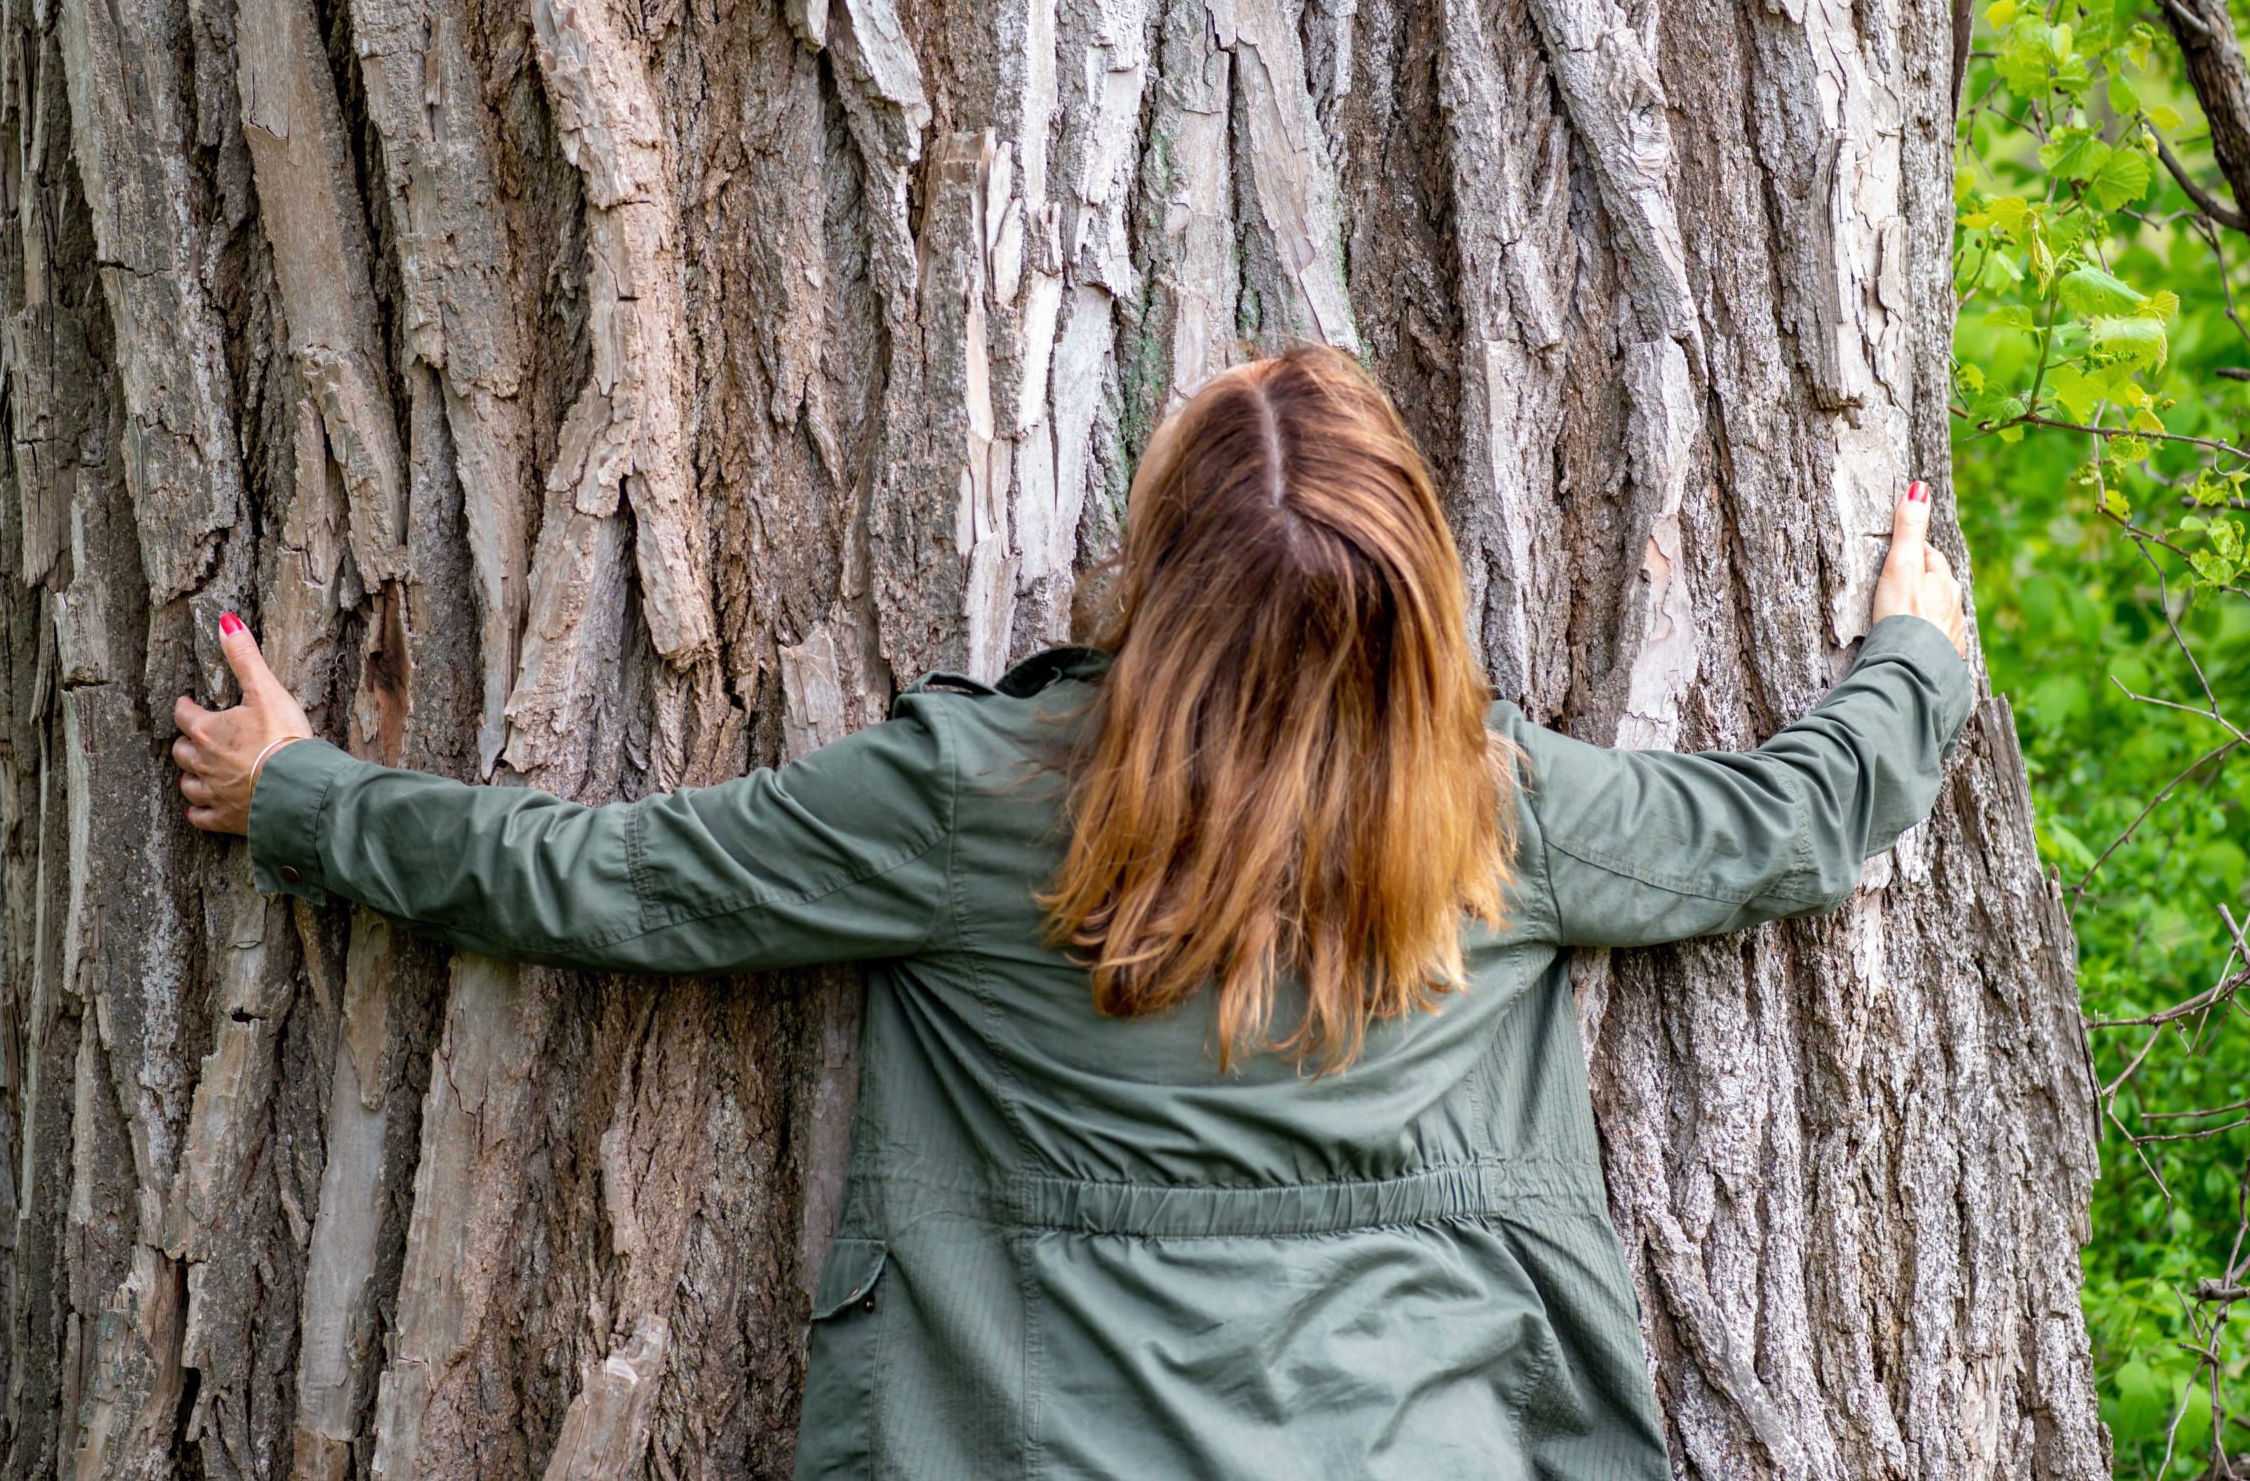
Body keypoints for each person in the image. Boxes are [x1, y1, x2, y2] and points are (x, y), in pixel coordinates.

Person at [173, 346, 1973, 1478]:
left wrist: (312, 800)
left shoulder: (980, 804)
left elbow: (617, 881)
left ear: (1163, 575)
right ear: (1421, 601)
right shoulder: (1496, 815)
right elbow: (1785, 823)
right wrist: (1913, 659)